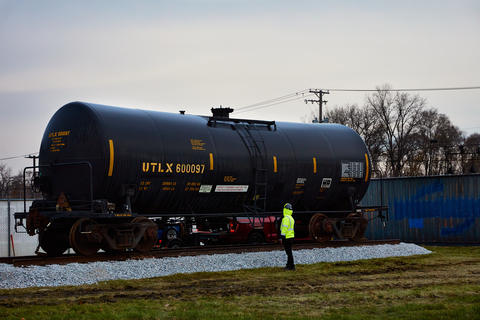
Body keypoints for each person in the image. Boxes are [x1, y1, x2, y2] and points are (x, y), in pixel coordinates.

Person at [280, 203, 295, 270]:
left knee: (288, 253)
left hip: (286, 237)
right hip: (291, 237)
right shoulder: (291, 218)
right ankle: (289, 265)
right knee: (289, 252)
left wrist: (281, 238)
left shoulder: (286, 218)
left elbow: (284, 229)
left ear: (285, 209)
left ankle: (291, 266)